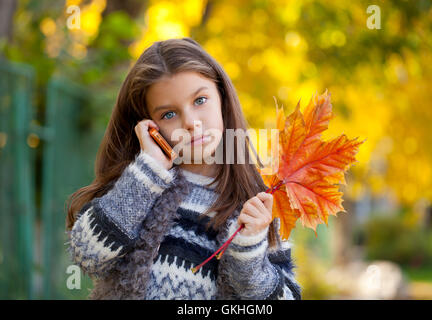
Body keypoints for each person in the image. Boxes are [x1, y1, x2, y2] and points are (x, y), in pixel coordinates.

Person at [65, 37, 302, 300]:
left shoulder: (259, 200)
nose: (190, 122)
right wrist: (149, 170)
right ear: (149, 125)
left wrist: (249, 251)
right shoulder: (138, 183)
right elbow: (88, 256)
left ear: (222, 98)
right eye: (169, 114)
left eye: (200, 100)